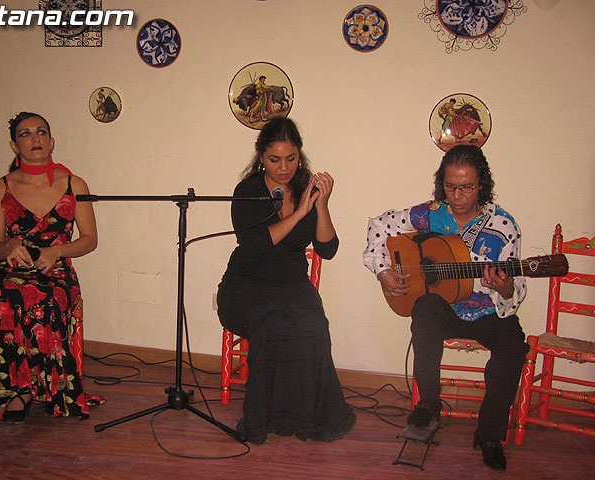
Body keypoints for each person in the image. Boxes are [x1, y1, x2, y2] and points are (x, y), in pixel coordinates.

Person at [363, 145, 528, 472]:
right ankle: (429, 406)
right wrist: (383, 272)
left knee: (514, 345)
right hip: (444, 309)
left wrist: (506, 288)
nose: (457, 196)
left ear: (481, 184)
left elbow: (516, 291)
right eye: (450, 186)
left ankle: (490, 433)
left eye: (466, 187)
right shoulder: (430, 214)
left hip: (486, 311)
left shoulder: (503, 225)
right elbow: (379, 226)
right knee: (424, 309)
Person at [217, 116, 356, 445]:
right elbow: (254, 246)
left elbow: (328, 248)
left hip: (292, 282)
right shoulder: (247, 191)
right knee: (271, 318)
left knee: (313, 321)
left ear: (300, 155)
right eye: (274, 159)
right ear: (261, 157)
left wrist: (320, 205)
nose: (284, 168)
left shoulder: (307, 187)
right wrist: (297, 213)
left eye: (291, 158)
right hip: (247, 282)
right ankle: (262, 418)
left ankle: (304, 416)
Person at [0, 111, 100, 423]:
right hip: (10, 271)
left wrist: (57, 251)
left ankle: (53, 387)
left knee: (45, 299)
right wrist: (7, 246)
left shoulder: (74, 183)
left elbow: (89, 240)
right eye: (25, 133)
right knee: (7, 298)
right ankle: (15, 392)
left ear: (52, 141)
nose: (34, 138)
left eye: (41, 132)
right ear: (13, 145)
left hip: (56, 271)